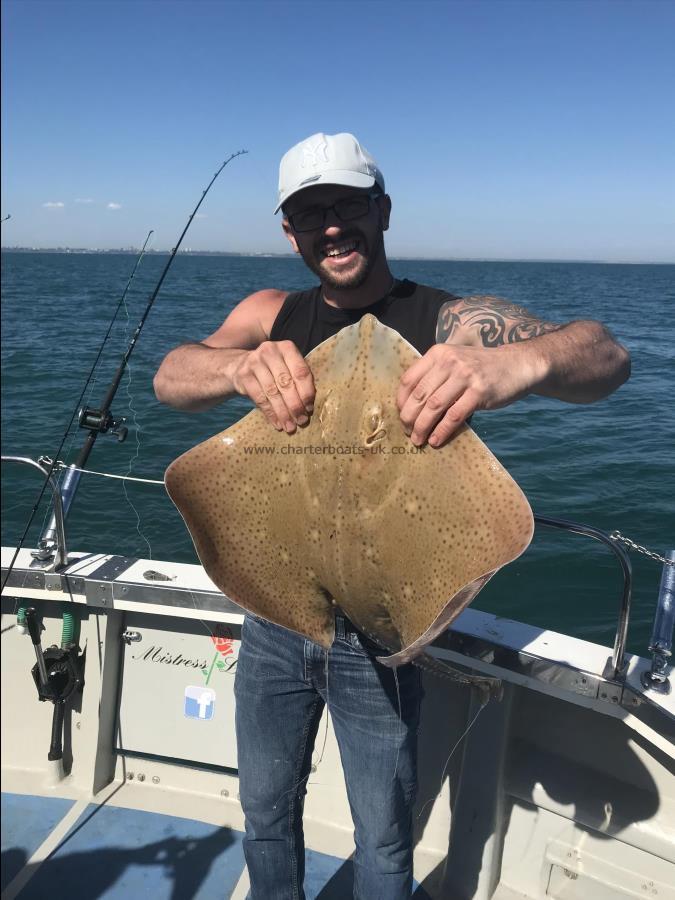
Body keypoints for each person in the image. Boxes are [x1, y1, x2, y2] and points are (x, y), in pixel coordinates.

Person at [154, 132, 630, 899]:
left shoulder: (446, 320)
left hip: (380, 633)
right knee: (264, 810)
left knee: (382, 839)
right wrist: (236, 366)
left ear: (381, 210)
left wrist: (515, 362)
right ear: (290, 232)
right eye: (311, 213)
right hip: (271, 612)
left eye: (346, 204)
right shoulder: (269, 312)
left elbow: (605, 354)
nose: (331, 225)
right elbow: (171, 375)